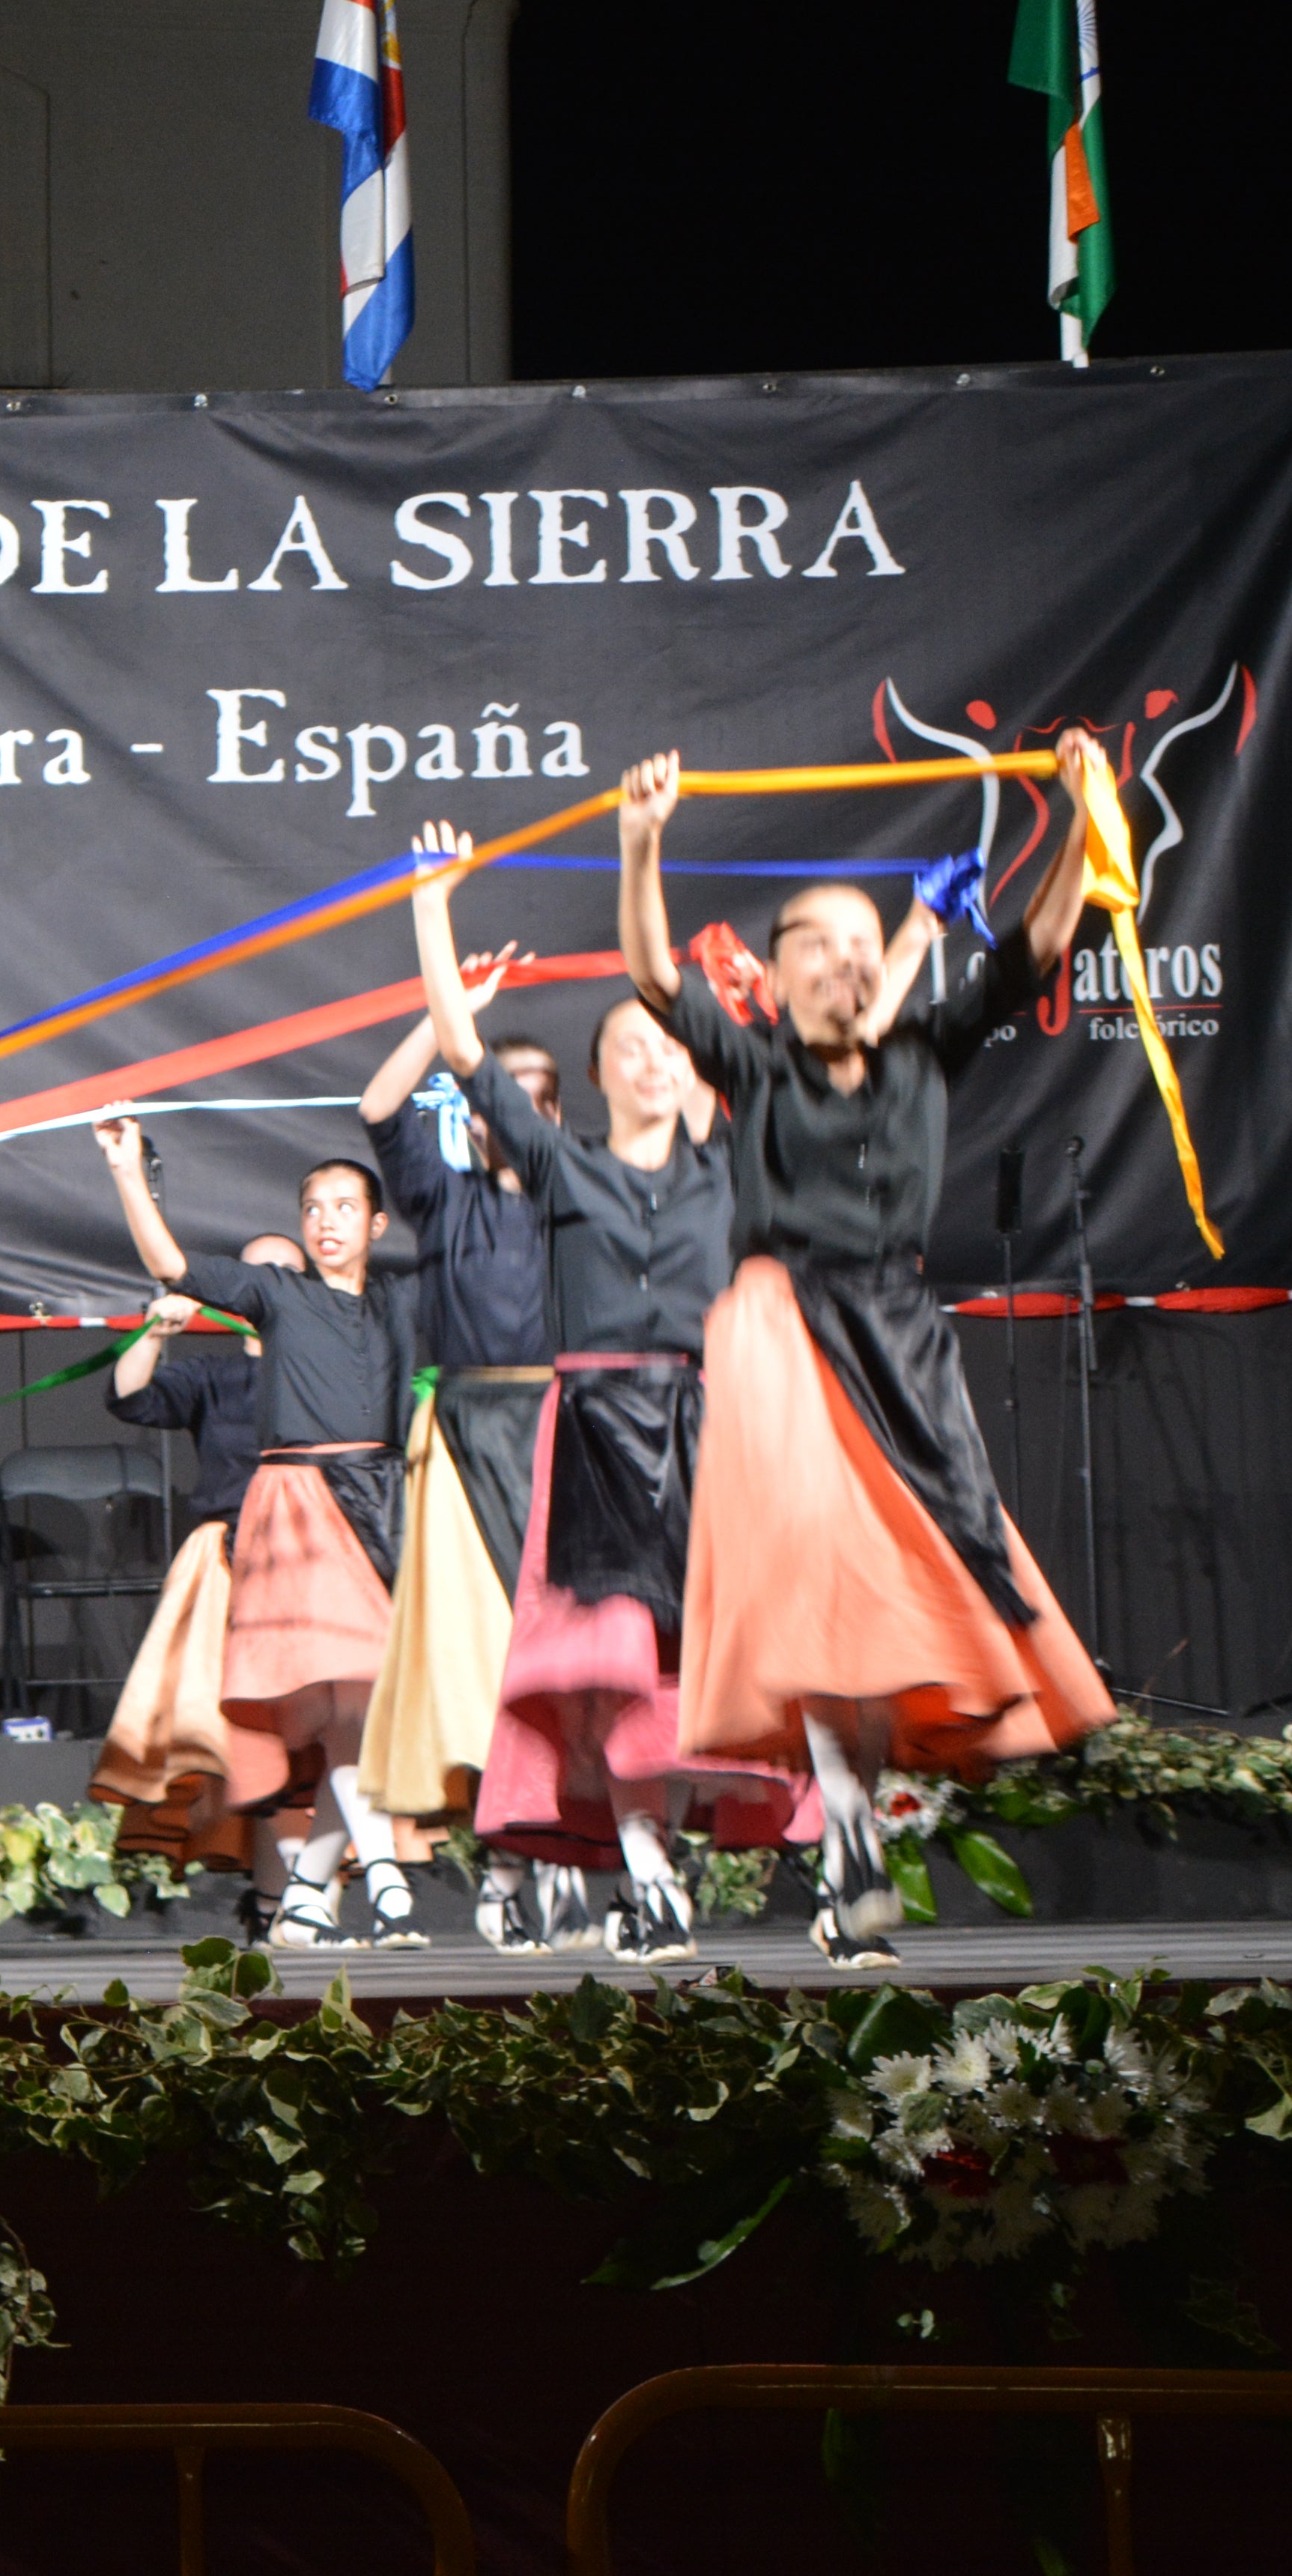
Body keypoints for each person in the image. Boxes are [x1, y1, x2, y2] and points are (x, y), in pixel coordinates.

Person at [620, 740, 1116, 1966]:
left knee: (890, 1599)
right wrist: (644, 841)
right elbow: (648, 973)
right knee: (817, 1585)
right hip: (782, 1329)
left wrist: (1076, 806)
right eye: (815, 945)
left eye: (862, 943)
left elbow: (1045, 942)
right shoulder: (752, 1063)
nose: (845, 960)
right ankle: (849, 1836)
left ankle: (855, 1843)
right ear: (775, 978)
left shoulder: (925, 1050)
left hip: (898, 1334)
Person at [401, 824, 813, 1963]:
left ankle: (663, 1875)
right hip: (590, 1432)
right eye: (626, 1045)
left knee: (689, 1672)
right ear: (596, 1076)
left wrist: (657, 866)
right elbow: (462, 1051)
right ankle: (645, 1874)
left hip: (702, 1431)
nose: (649, 1059)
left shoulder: (731, 1166)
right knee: (609, 1670)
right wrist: (435, 906)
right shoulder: (557, 1163)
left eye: (665, 1042)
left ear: (694, 1062)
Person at [90, 1114, 421, 1946]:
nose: (327, 1220)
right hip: (301, 1509)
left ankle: (310, 1885)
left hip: (385, 1503)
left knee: (370, 1705)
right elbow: (168, 1265)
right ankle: (378, 1870)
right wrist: (128, 1170)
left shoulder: (404, 1299)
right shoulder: (278, 1297)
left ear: (376, 1224)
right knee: (351, 1690)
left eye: (345, 1206)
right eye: (314, 1206)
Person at [351, 938, 572, 1951]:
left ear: (556, 1115)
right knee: (480, 1661)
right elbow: (378, 1109)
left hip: (569, 1435)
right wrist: (450, 1019)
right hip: (468, 1433)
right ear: (478, 1114)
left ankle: (584, 1859)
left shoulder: (586, 1202)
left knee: (574, 1658)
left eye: (539, 1094)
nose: (518, 1110)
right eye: (500, 1093)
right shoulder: (444, 1196)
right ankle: (506, 1867)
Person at [88, 1235, 294, 1867]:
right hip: (226, 1562)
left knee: (305, 1728)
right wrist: (153, 1333)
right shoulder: (216, 1375)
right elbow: (129, 1399)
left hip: (311, 1558)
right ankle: (265, 1890)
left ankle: (301, 1893)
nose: (271, 1285)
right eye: (257, 1273)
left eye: (287, 1274)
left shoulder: (336, 1370)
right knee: (217, 1726)